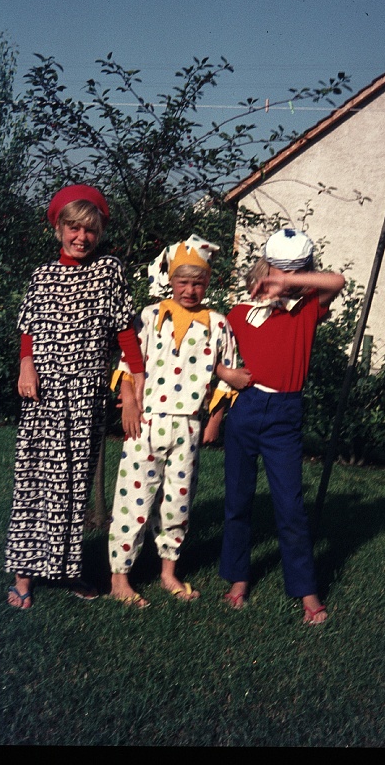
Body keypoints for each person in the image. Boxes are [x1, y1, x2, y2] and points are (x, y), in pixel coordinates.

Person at [5, 185, 145, 610]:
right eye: (73, 228)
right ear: (58, 229)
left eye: (89, 229)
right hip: (43, 393)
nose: (81, 237)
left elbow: (125, 331)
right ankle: (23, 579)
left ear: (99, 232)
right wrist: (25, 365)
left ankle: (69, 569)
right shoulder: (42, 276)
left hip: (85, 394)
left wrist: (135, 382)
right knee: (33, 481)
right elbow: (28, 327)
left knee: (72, 486)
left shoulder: (110, 270)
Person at [208, 228, 346, 625]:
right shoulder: (237, 313)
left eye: (294, 271)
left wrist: (289, 282)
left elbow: (337, 281)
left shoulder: (306, 308)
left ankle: (306, 591)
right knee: (238, 500)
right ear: (263, 267)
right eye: (277, 269)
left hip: (284, 414)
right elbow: (215, 365)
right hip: (245, 408)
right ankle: (237, 578)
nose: (282, 278)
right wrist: (220, 398)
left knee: (290, 506)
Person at [107, 235, 250, 608]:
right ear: (171, 280)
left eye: (198, 282)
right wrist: (128, 403)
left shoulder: (217, 325)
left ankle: (168, 572)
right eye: (183, 282)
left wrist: (214, 419)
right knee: (133, 501)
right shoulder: (150, 317)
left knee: (177, 503)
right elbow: (128, 364)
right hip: (147, 421)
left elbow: (227, 378)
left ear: (208, 283)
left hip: (188, 424)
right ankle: (119, 578)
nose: (190, 290)